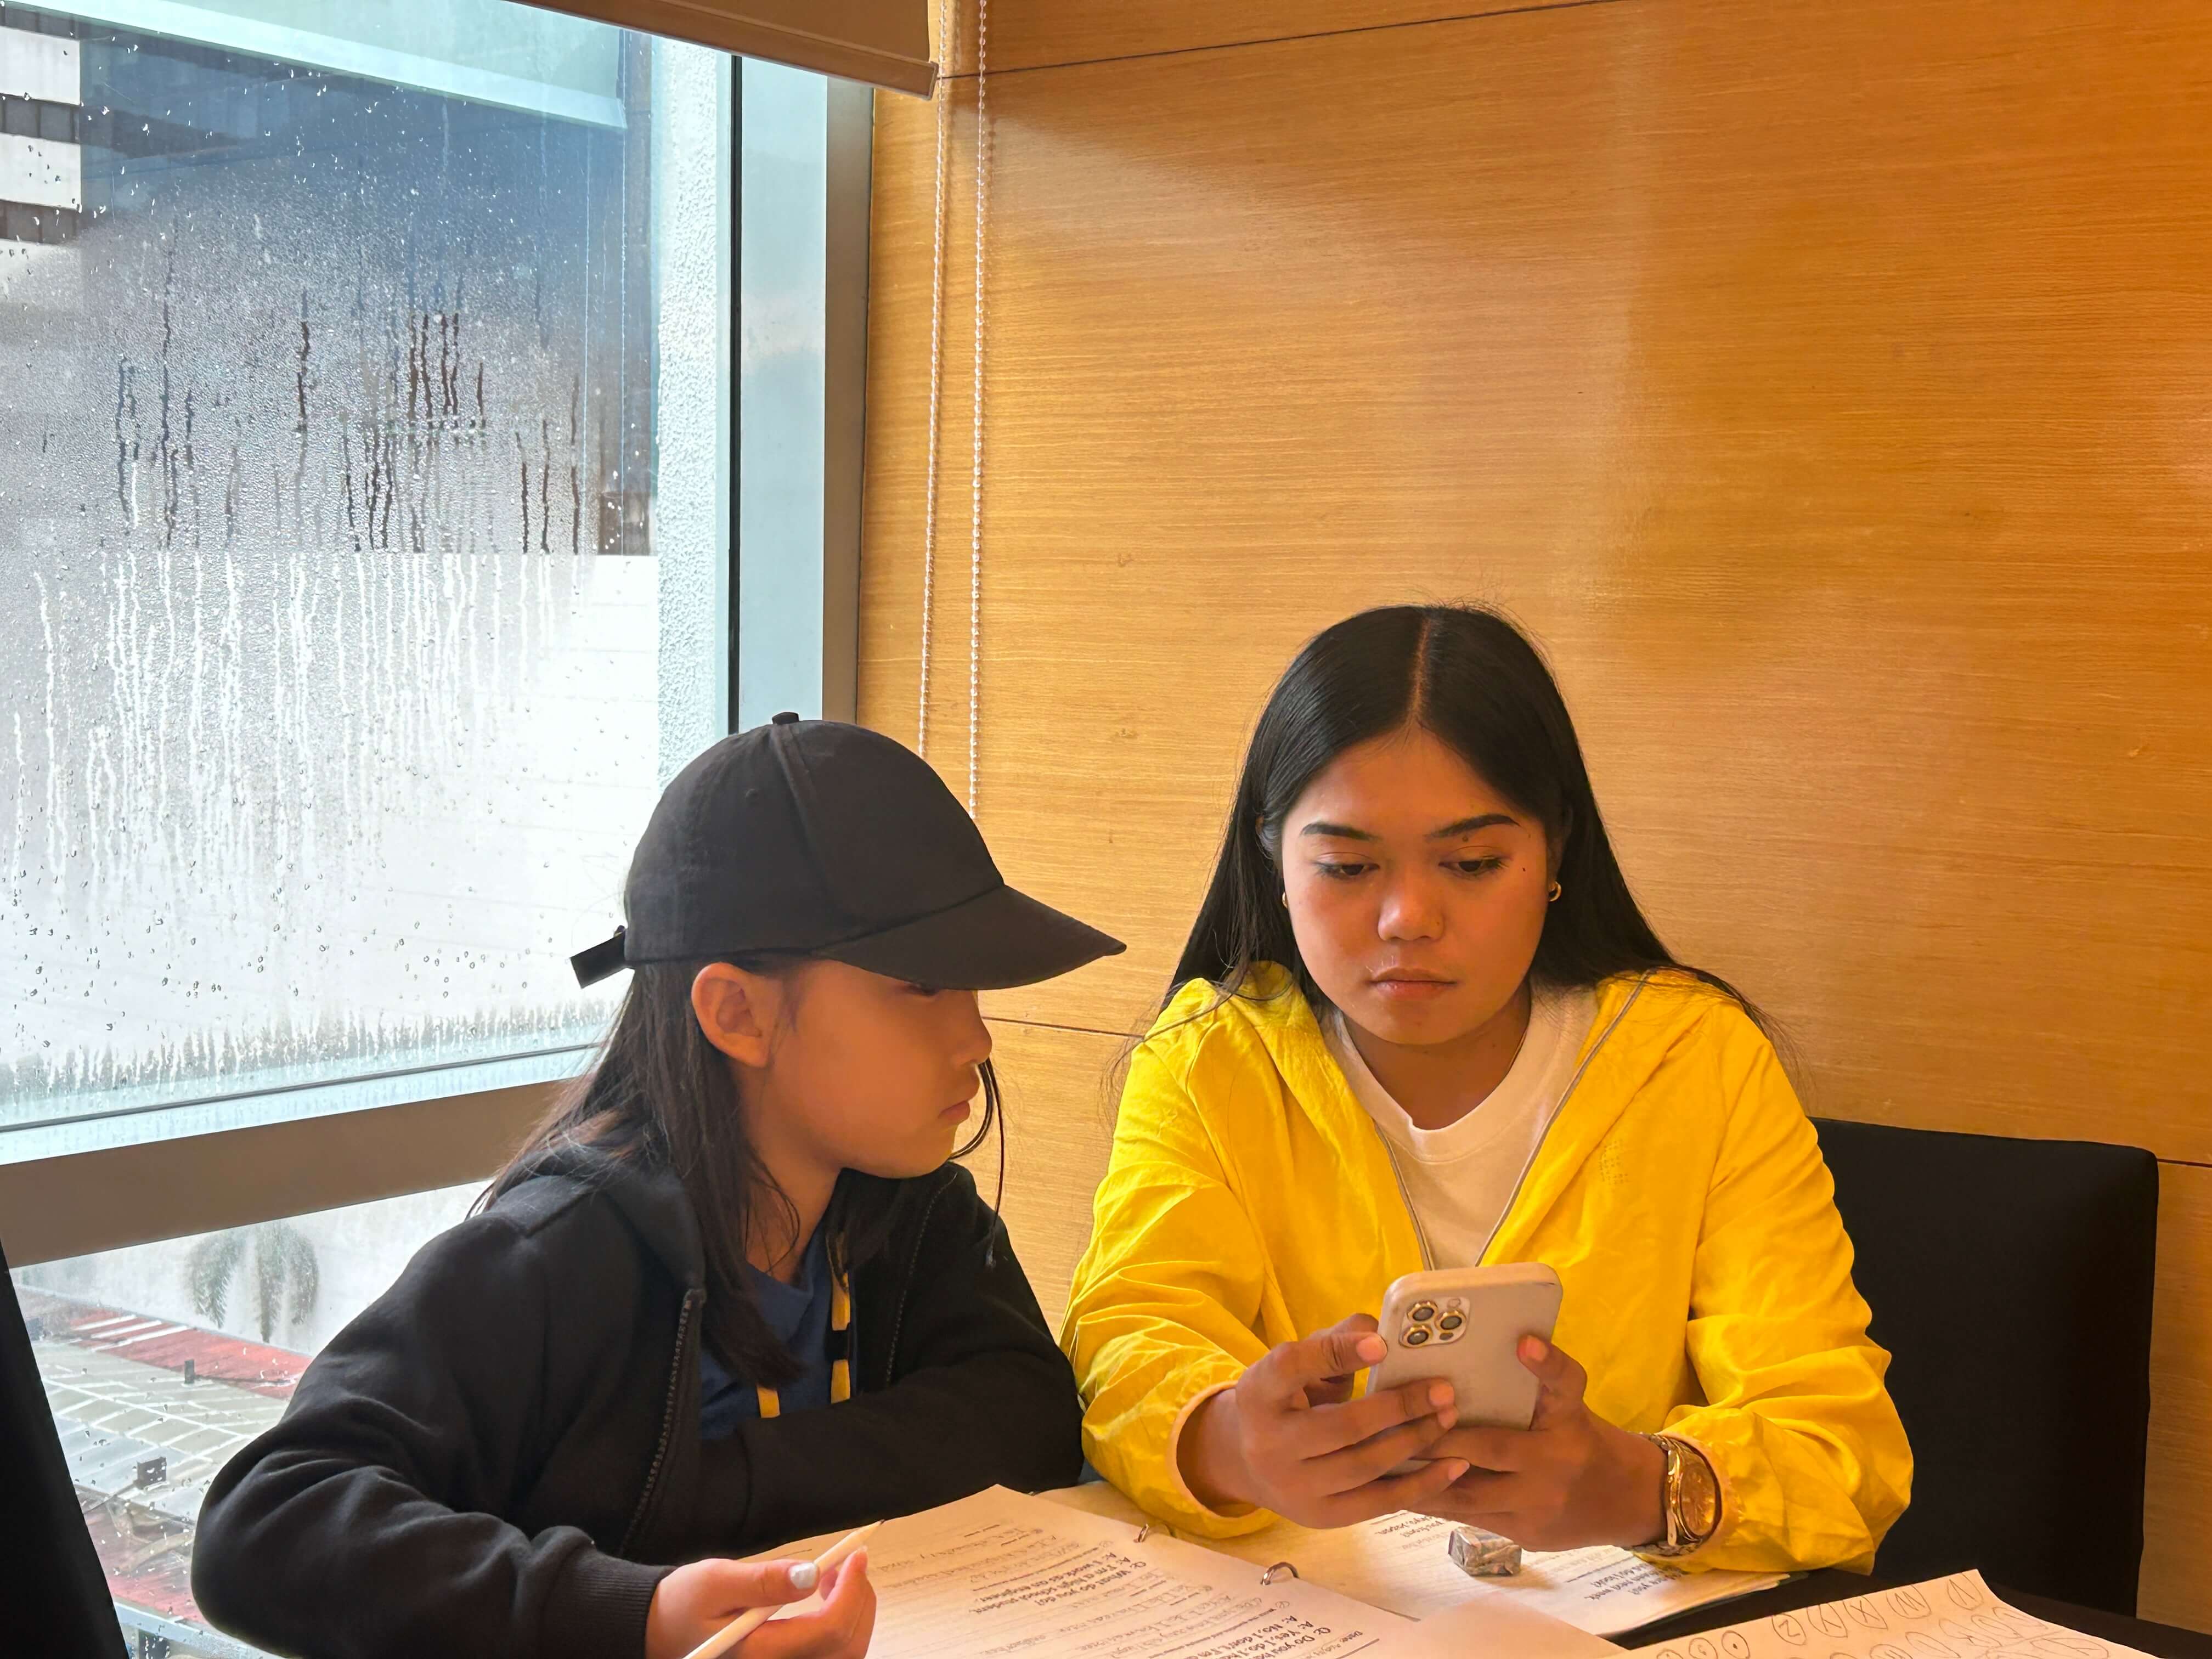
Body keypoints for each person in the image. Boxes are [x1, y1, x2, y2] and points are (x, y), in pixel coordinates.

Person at [195, 715, 1124, 1659]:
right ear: (736, 1013)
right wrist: (632, 1614)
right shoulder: (554, 1255)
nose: (976, 1039)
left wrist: (710, 1489)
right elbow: (264, 1524)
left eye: (974, 988)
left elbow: (1028, 1418)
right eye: (923, 986)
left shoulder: (917, 1214)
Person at [1064, 605, 1911, 1573]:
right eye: (1346, 866)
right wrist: (1224, 1444)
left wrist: (1641, 1488)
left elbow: (1840, 1445)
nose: (1408, 918)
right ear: (1276, 861)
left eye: (1472, 864)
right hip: (1311, 1618)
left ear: (1555, 855)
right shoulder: (1210, 1058)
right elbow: (1130, 1340)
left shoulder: (1694, 1058)